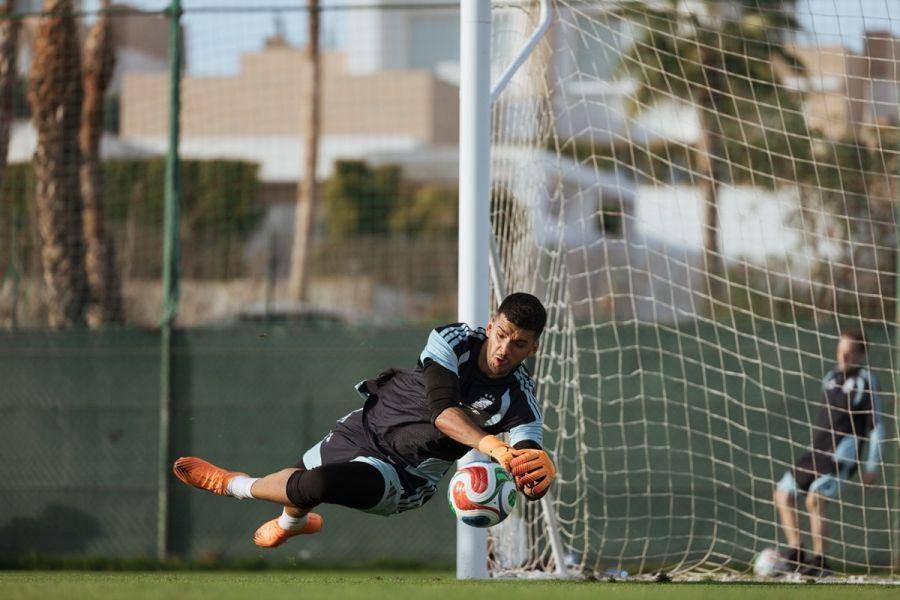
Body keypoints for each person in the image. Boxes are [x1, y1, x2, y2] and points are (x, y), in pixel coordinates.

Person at [173, 292, 556, 548]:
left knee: (315, 483)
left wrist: (534, 474)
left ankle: (232, 484)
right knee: (297, 482)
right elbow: (442, 411)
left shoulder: (520, 398)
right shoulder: (452, 339)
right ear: (490, 325)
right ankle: (293, 524)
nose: (505, 349)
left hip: (404, 474)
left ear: (533, 347)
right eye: (502, 334)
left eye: (519, 343)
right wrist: (492, 445)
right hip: (367, 426)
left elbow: (526, 451)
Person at [773, 328, 884, 577]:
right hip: (816, 451)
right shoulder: (830, 376)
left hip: (840, 455)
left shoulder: (866, 381)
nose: (843, 357)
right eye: (840, 351)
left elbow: (876, 426)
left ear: (860, 354)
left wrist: (871, 465)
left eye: (849, 353)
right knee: (782, 493)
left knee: (815, 498)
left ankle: (821, 561)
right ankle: (797, 553)